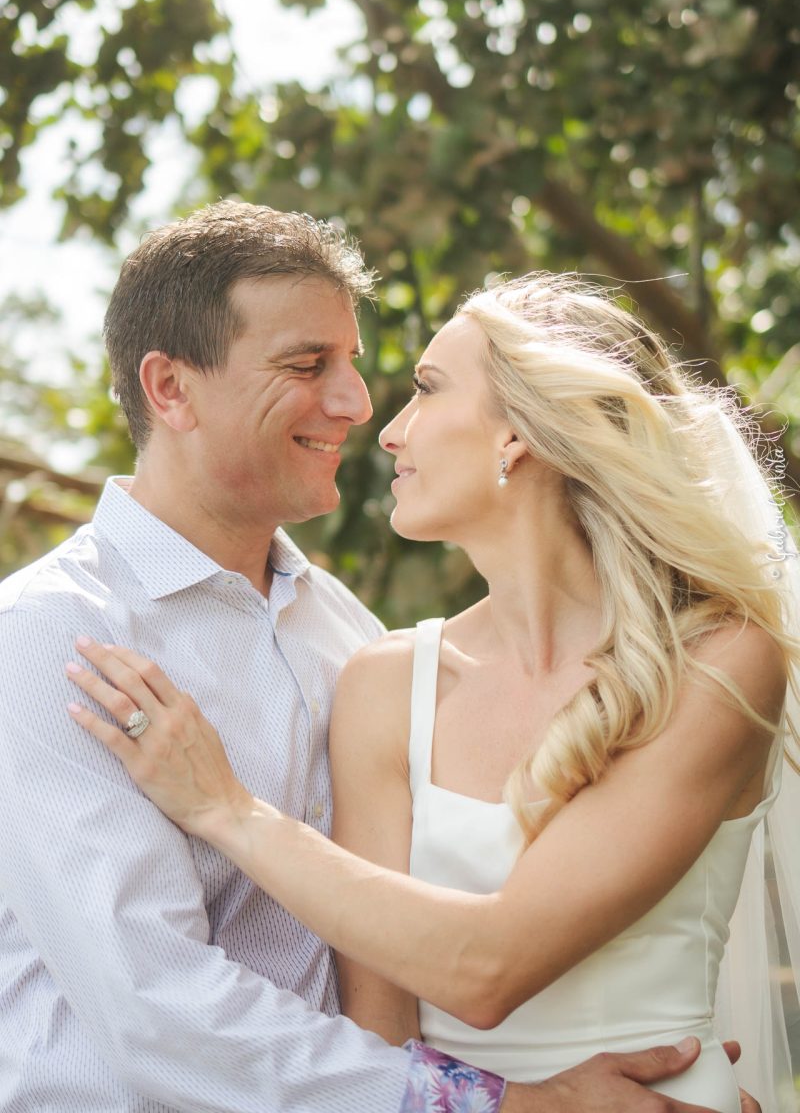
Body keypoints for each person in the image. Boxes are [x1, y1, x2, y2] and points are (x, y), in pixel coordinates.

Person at [0, 203, 728, 1113]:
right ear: (171, 389)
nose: (356, 403)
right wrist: (505, 1104)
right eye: (308, 366)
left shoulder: (343, 631)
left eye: (350, 362)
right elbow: (155, 1011)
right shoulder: (51, 636)